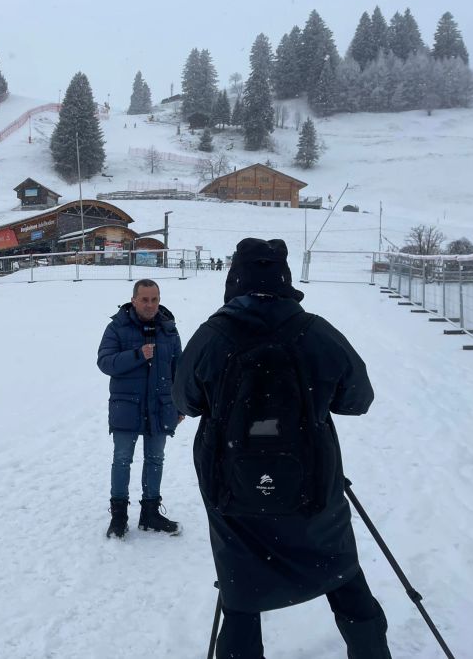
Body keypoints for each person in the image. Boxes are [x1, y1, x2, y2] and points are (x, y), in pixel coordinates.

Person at [173, 238, 390, 658]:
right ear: (285, 280)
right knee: (344, 581)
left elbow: (185, 401)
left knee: (241, 601)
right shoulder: (316, 332)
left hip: (234, 492)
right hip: (314, 490)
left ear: (235, 280)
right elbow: (357, 400)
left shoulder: (212, 336)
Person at [97, 279, 184, 538]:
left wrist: (180, 405)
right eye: (144, 299)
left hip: (160, 405)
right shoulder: (117, 328)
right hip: (127, 407)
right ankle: (119, 516)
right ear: (134, 300)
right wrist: (137, 355)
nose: (150, 304)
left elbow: (179, 369)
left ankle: (150, 513)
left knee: (155, 459)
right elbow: (105, 362)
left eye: (154, 299)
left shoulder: (169, 329)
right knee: (122, 460)